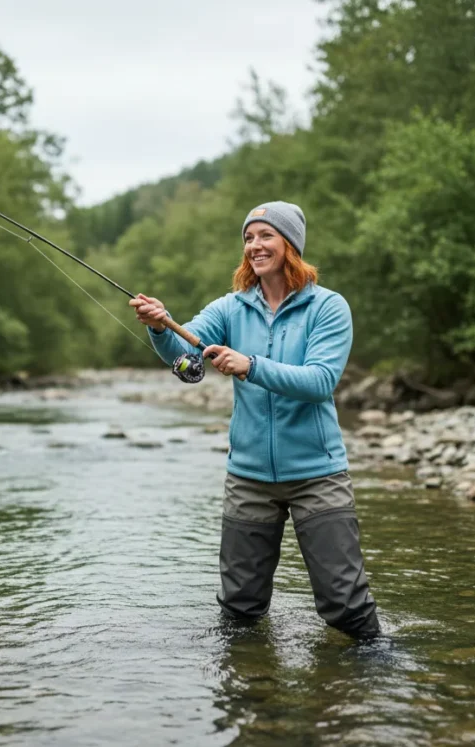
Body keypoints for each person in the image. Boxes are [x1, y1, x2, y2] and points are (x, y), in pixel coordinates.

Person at [129, 201, 380, 640]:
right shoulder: (230, 308)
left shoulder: (328, 307)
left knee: (345, 606)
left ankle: (371, 679)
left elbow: (320, 381)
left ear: (290, 244)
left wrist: (250, 365)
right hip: (247, 476)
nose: (255, 246)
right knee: (240, 610)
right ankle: (250, 694)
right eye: (248, 238)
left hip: (316, 474)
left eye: (265, 236)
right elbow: (184, 356)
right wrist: (160, 327)